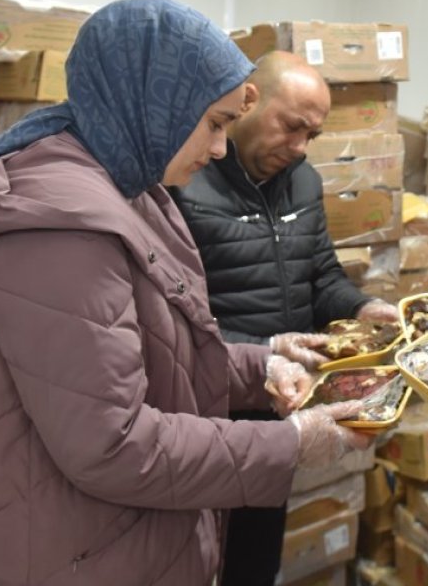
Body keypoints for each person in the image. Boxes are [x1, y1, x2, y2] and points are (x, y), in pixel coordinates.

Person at [0, 0, 371, 585]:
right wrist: (291, 444)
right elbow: (113, 444)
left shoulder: (130, 186)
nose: (221, 147)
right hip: (61, 552)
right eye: (216, 123)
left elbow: (148, 351)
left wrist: (260, 365)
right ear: (156, 103)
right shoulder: (60, 226)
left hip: (111, 537)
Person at [170, 52, 397, 585]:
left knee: (253, 559)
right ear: (247, 101)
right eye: (291, 127)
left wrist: (364, 306)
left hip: (281, 404)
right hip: (205, 407)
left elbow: (321, 275)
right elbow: (169, 319)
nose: (298, 147)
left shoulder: (302, 180)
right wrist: (266, 348)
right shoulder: (184, 180)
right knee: (190, 557)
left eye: (311, 136)